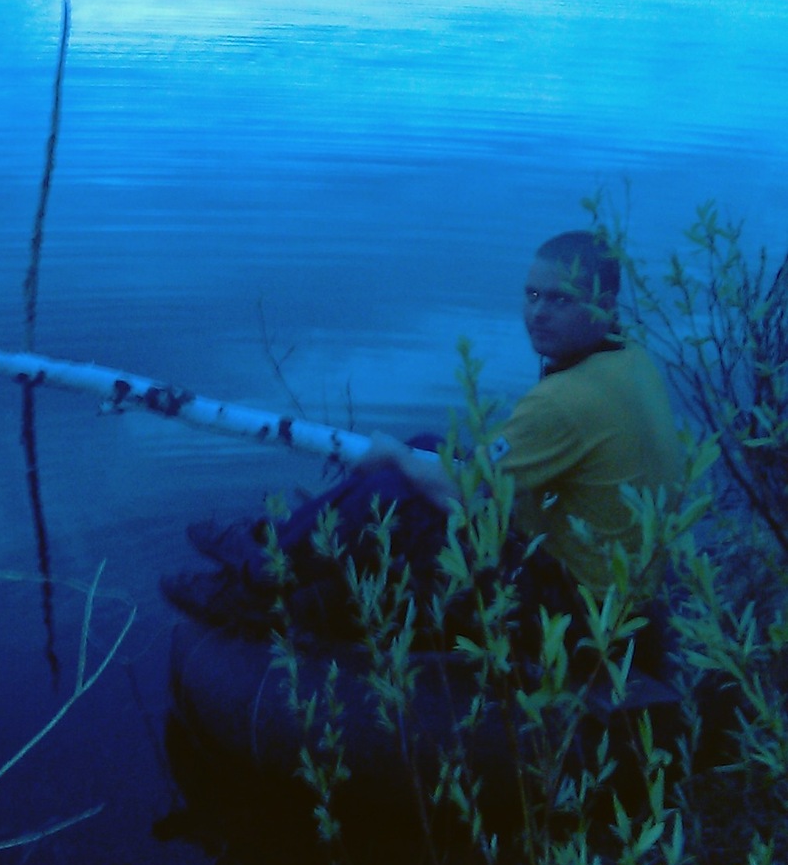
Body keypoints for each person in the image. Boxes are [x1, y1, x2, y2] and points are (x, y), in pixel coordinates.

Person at [166, 230, 683, 669]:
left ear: (604, 306)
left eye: (560, 300)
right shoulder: (629, 359)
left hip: (583, 615)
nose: (537, 313)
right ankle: (274, 545)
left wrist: (396, 458)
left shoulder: (566, 400)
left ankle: (261, 580)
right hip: (611, 584)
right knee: (426, 448)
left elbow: (467, 492)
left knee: (395, 486)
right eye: (531, 295)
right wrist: (410, 455)